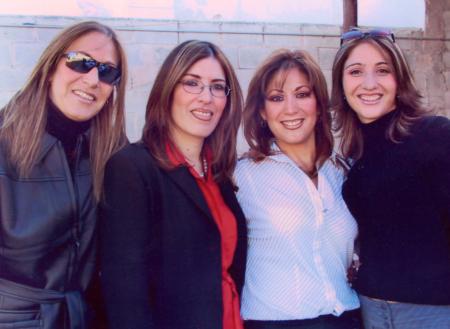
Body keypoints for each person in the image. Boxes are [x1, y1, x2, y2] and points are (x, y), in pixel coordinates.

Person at [99, 40, 247, 329]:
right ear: (167, 91)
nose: (206, 97)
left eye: (218, 87)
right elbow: (125, 293)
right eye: (192, 83)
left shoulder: (219, 173)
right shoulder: (132, 167)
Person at [0, 21, 127, 329]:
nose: (93, 79)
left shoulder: (111, 152)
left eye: (107, 71)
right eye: (80, 63)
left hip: (84, 317)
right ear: (51, 66)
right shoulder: (4, 143)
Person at [331, 28, 450, 329]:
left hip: (432, 313)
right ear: (342, 84)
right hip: (369, 310)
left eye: (382, 70)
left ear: (399, 80)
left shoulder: (435, 135)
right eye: (356, 71)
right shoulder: (354, 153)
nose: (369, 84)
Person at [234, 49, 361, 329]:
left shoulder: (342, 171)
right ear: (263, 112)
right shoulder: (242, 176)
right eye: (276, 98)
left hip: (348, 316)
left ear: (319, 104)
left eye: (302, 94)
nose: (291, 108)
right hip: (275, 322)